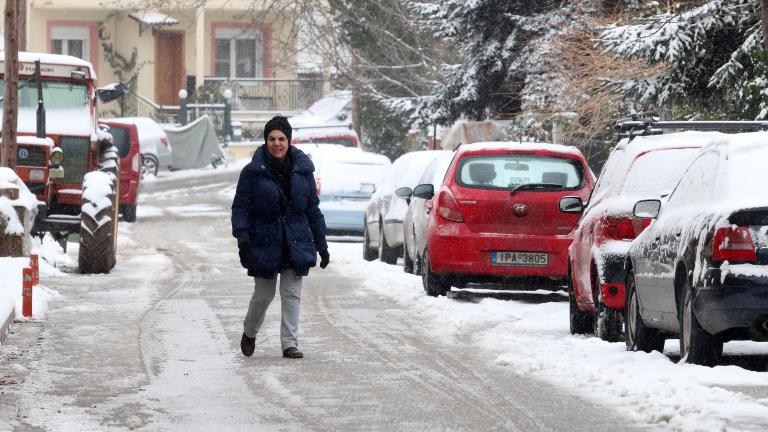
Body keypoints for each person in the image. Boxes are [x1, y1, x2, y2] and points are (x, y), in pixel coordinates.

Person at [231, 115, 330, 359]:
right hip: (264, 241)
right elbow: (240, 208)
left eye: (281, 139)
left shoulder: (303, 171)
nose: (277, 143)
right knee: (264, 295)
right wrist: (243, 238)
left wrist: (322, 244)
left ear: (289, 140)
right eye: (272, 139)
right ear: (266, 141)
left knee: (291, 293)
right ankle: (249, 332)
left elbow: (312, 209)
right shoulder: (252, 172)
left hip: (295, 241)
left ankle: (289, 344)